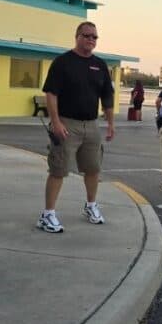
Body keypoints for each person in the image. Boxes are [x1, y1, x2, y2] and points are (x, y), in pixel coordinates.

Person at [37, 21, 115, 233]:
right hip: (66, 123)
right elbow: (51, 93)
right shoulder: (63, 62)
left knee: (93, 169)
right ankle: (48, 214)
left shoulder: (100, 65)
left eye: (94, 37)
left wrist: (110, 124)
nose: (91, 40)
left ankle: (90, 206)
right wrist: (56, 122)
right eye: (87, 35)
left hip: (91, 125)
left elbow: (107, 96)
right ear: (77, 36)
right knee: (59, 169)